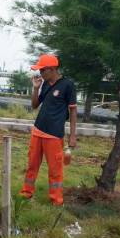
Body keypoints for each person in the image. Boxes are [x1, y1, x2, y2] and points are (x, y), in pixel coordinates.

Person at [19, 54, 77, 206]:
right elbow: (34, 105)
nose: (40, 74)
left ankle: (56, 201)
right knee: (32, 165)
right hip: (38, 131)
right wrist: (36, 88)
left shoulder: (67, 86)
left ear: (51, 69)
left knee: (55, 170)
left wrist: (72, 136)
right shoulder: (45, 84)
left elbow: (73, 112)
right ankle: (26, 193)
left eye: (42, 71)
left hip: (54, 135)